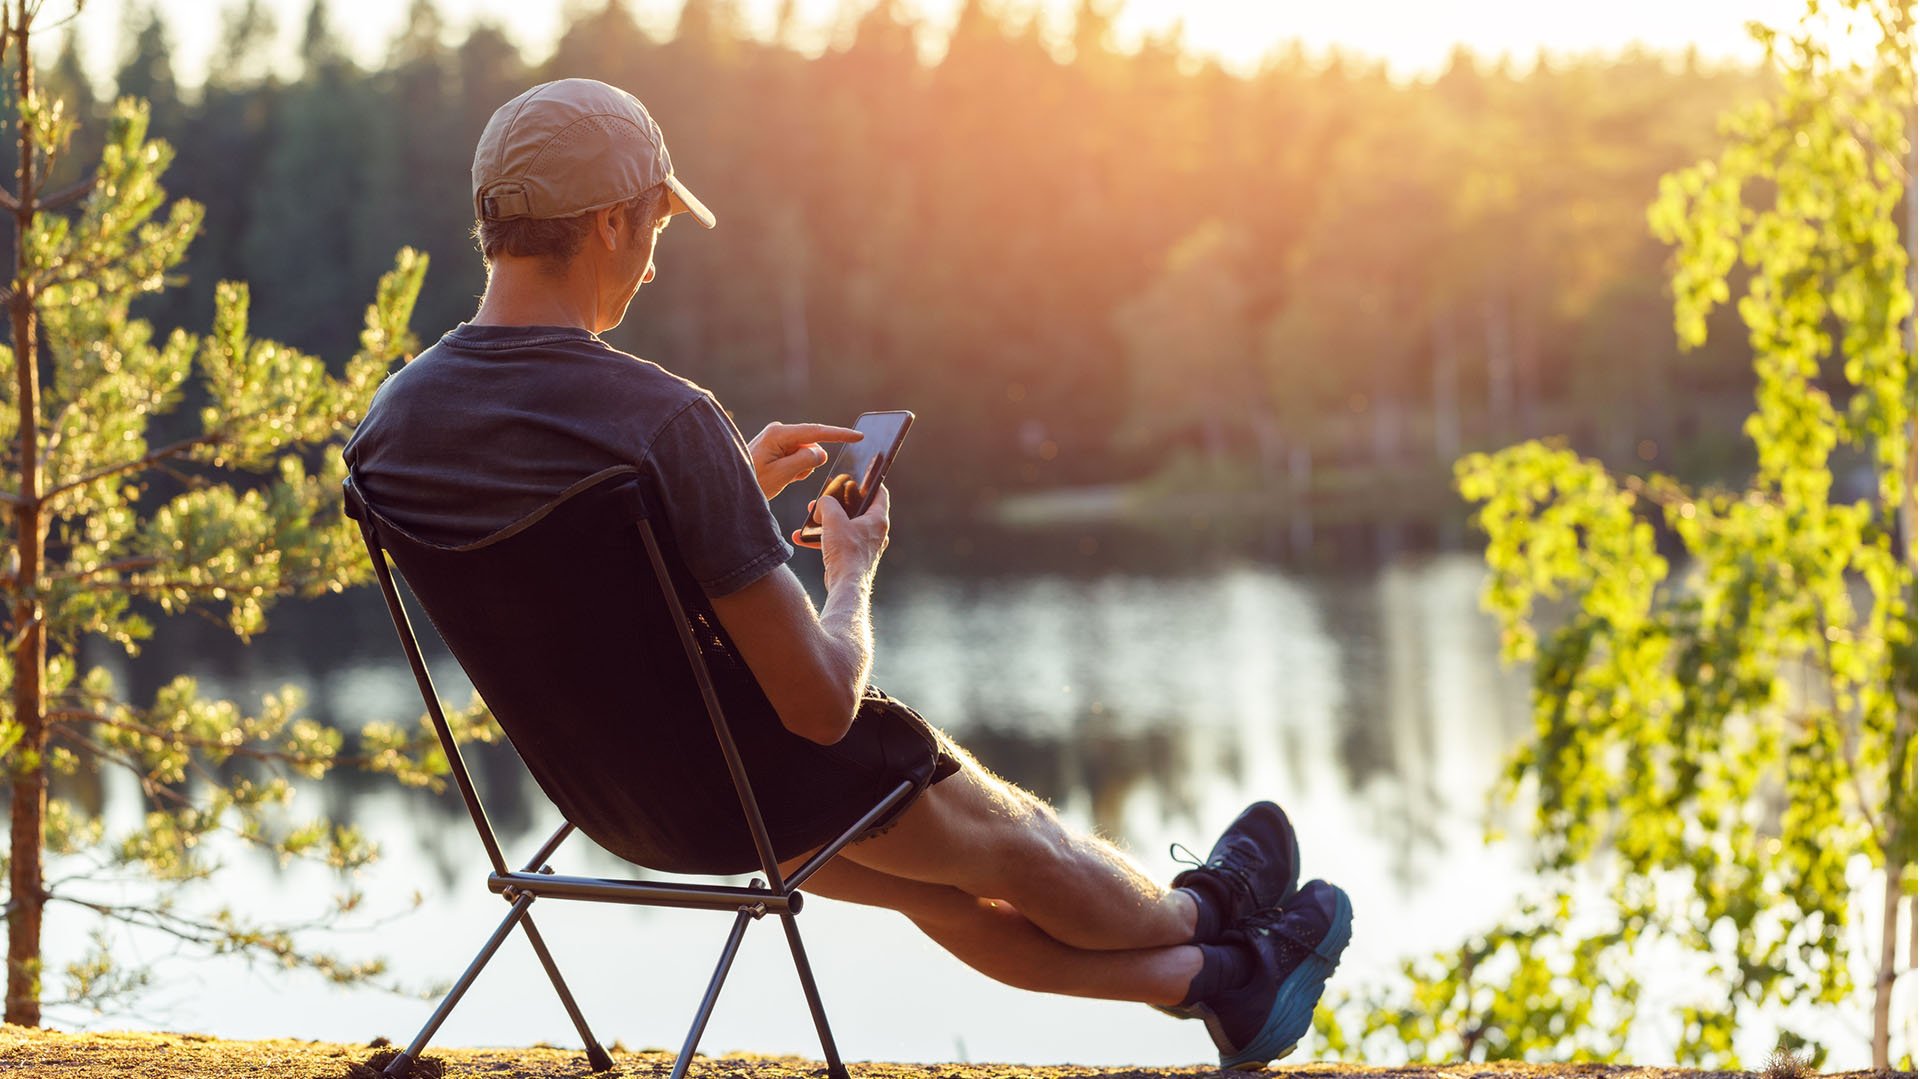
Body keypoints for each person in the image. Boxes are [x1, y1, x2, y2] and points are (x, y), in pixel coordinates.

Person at [343, 78, 1352, 1069]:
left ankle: (1218, 974)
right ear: (609, 224)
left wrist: (725, 494)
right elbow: (823, 705)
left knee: (935, 885)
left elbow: (576, 595)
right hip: (762, 783)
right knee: (1017, 839)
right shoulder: (660, 419)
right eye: (654, 222)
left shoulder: (390, 432)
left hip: (613, 805)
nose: (653, 263)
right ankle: (1204, 913)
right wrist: (852, 571)